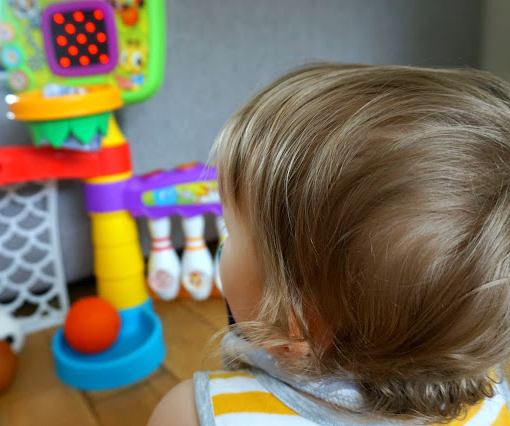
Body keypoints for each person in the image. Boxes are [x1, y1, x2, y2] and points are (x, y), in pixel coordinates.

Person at [148, 64, 510, 425]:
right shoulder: (493, 399)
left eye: (231, 229)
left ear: (295, 326)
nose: (225, 243)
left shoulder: (195, 414)